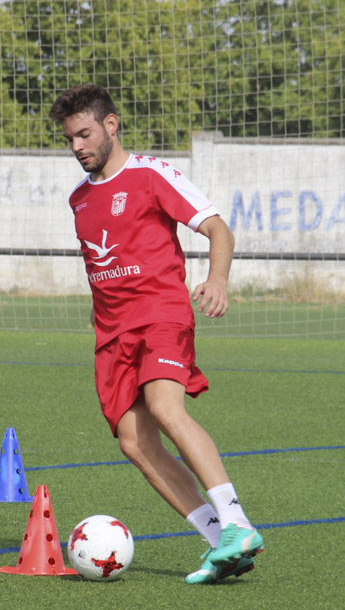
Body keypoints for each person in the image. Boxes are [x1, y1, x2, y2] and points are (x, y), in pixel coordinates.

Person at [49, 83, 264, 584]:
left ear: (111, 125)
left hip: (162, 315)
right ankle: (222, 544)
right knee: (134, 442)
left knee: (167, 409)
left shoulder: (150, 174)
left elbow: (217, 228)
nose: (77, 146)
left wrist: (216, 279)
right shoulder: (79, 200)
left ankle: (236, 522)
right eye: (69, 139)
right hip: (112, 334)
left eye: (84, 134)